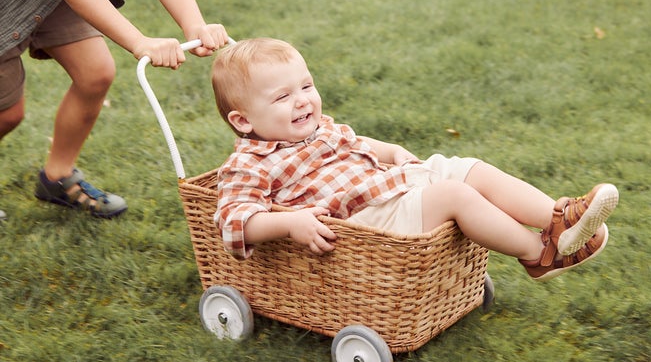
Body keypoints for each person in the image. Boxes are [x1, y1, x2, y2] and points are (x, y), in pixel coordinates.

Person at [211, 38, 619, 282]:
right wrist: (289, 222)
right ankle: (539, 254)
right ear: (243, 120)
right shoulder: (249, 164)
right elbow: (233, 221)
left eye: (306, 85)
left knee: (465, 167)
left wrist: (389, 151)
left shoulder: (319, 128)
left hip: (387, 186)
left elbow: (355, 141)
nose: (303, 100)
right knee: (454, 195)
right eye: (283, 97)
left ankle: (557, 218)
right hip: (364, 221)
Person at [0, 0, 229, 219]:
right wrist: (139, 41)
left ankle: (57, 177)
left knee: (95, 74)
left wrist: (195, 24)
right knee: (7, 113)